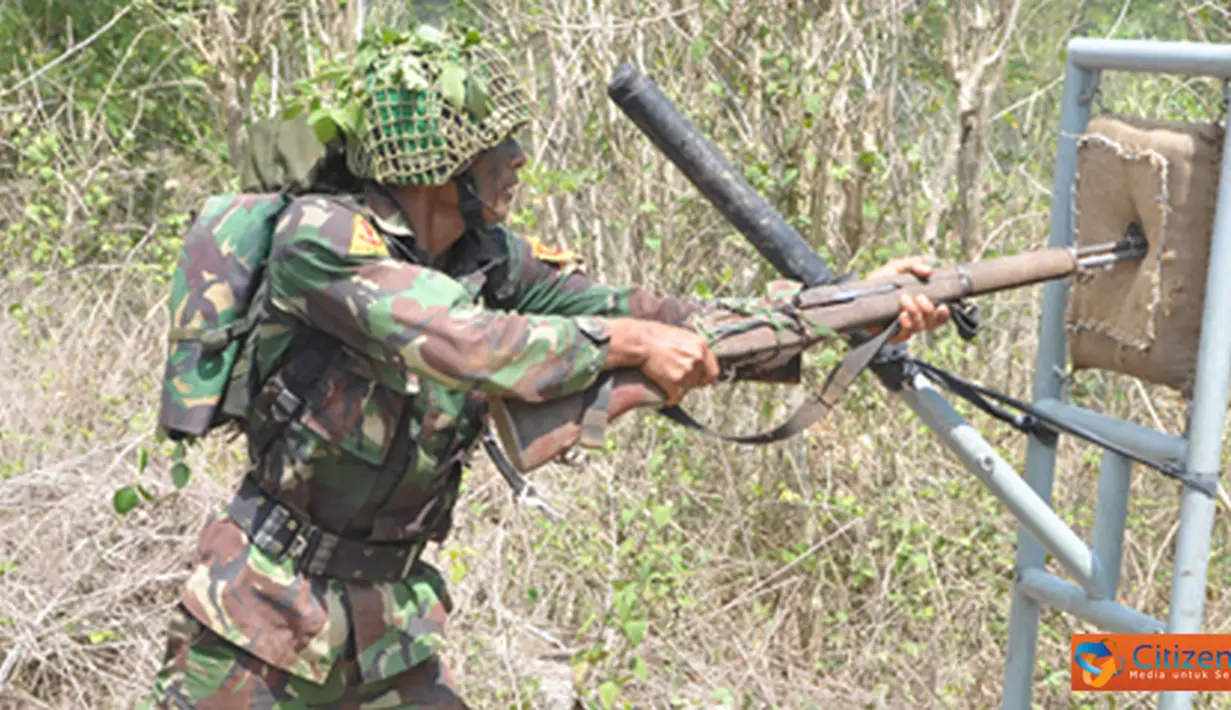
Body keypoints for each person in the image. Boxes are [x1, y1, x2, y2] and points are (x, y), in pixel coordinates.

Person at [143, 25, 949, 709]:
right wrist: (625, 347)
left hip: (388, 623)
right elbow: (468, 344)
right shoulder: (322, 242)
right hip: (258, 612)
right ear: (436, 161)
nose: (519, 159)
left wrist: (846, 305)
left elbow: (660, 317)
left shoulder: (486, 257)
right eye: (498, 146)